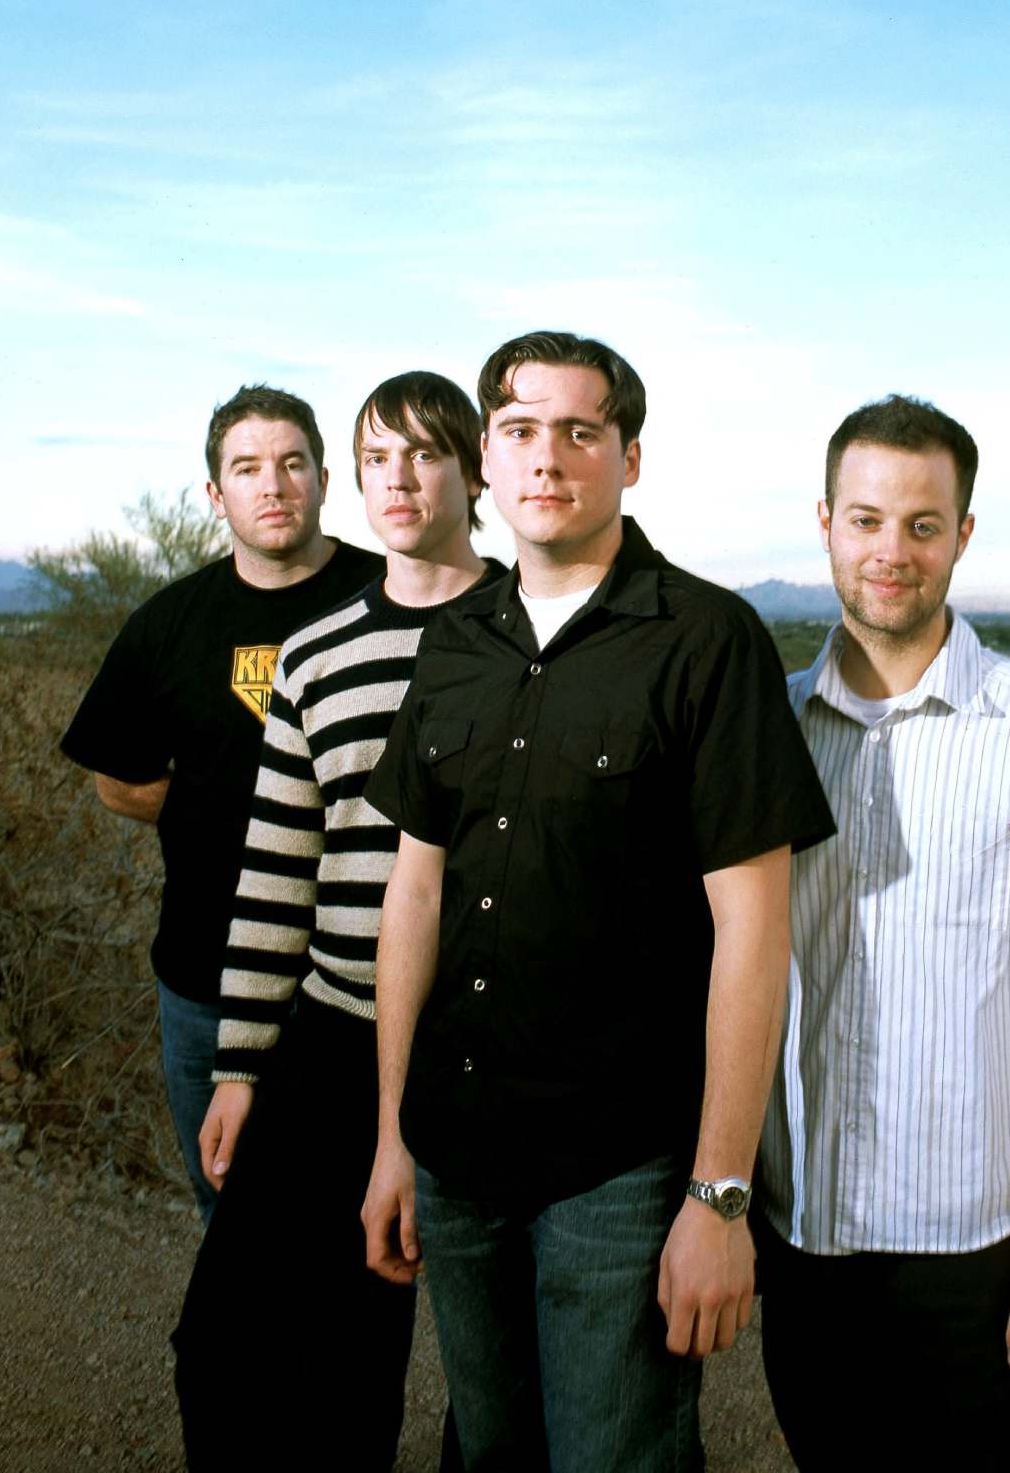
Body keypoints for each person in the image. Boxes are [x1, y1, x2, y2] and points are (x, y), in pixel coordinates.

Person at [361, 330, 835, 1473]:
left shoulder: (707, 639)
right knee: (490, 1448)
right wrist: (391, 1137)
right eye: (521, 429)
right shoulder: (456, 640)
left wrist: (720, 1192)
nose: (548, 456)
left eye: (582, 430)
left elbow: (754, 932)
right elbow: (414, 892)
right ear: (487, 455)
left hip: (618, 1169)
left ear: (630, 457)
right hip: (456, 1150)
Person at [755, 395, 1010, 1471]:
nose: (891, 550)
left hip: (980, 1259)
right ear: (827, 524)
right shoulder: (767, 732)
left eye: (923, 524)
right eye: (866, 519)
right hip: (805, 1241)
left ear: (963, 535)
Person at [172, 370, 497, 1470]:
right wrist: (238, 1067)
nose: (399, 478)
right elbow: (277, 871)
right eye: (376, 458)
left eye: (426, 452)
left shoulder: (533, 633)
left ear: (475, 471)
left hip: (492, 1044)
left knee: (492, 1370)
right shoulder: (315, 655)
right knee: (235, 1347)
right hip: (339, 1030)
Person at [59, 385, 381, 1216]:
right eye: (246, 468)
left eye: (292, 463)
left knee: (368, 1232)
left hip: (364, 986)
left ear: (324, 480)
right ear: (214, 493)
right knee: (231, 1219)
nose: (272, 485)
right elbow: (115, 775)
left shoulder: (391, 596)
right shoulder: (169, 623)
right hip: (206, 978)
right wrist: (224, 815)